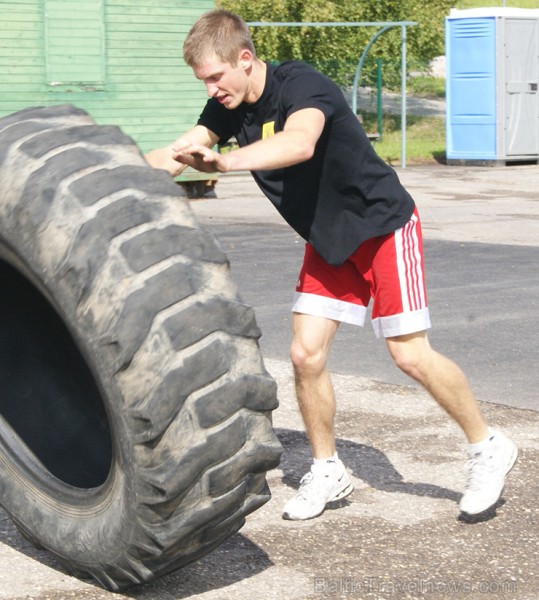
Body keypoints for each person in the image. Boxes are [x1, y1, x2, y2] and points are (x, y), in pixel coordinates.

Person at [145, 9, 518, 521]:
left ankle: (487, 445)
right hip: (328, 240)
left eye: (215, 76)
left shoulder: (303, 85)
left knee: (409, 355)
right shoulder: (227, 107)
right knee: (305, 354)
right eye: (202, 80)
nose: (210, 89)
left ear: (245, 59)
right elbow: (178, 152)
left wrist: (226, 163)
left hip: (381, 227)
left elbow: (300, 142)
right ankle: (328, 470)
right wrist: (107, 171)